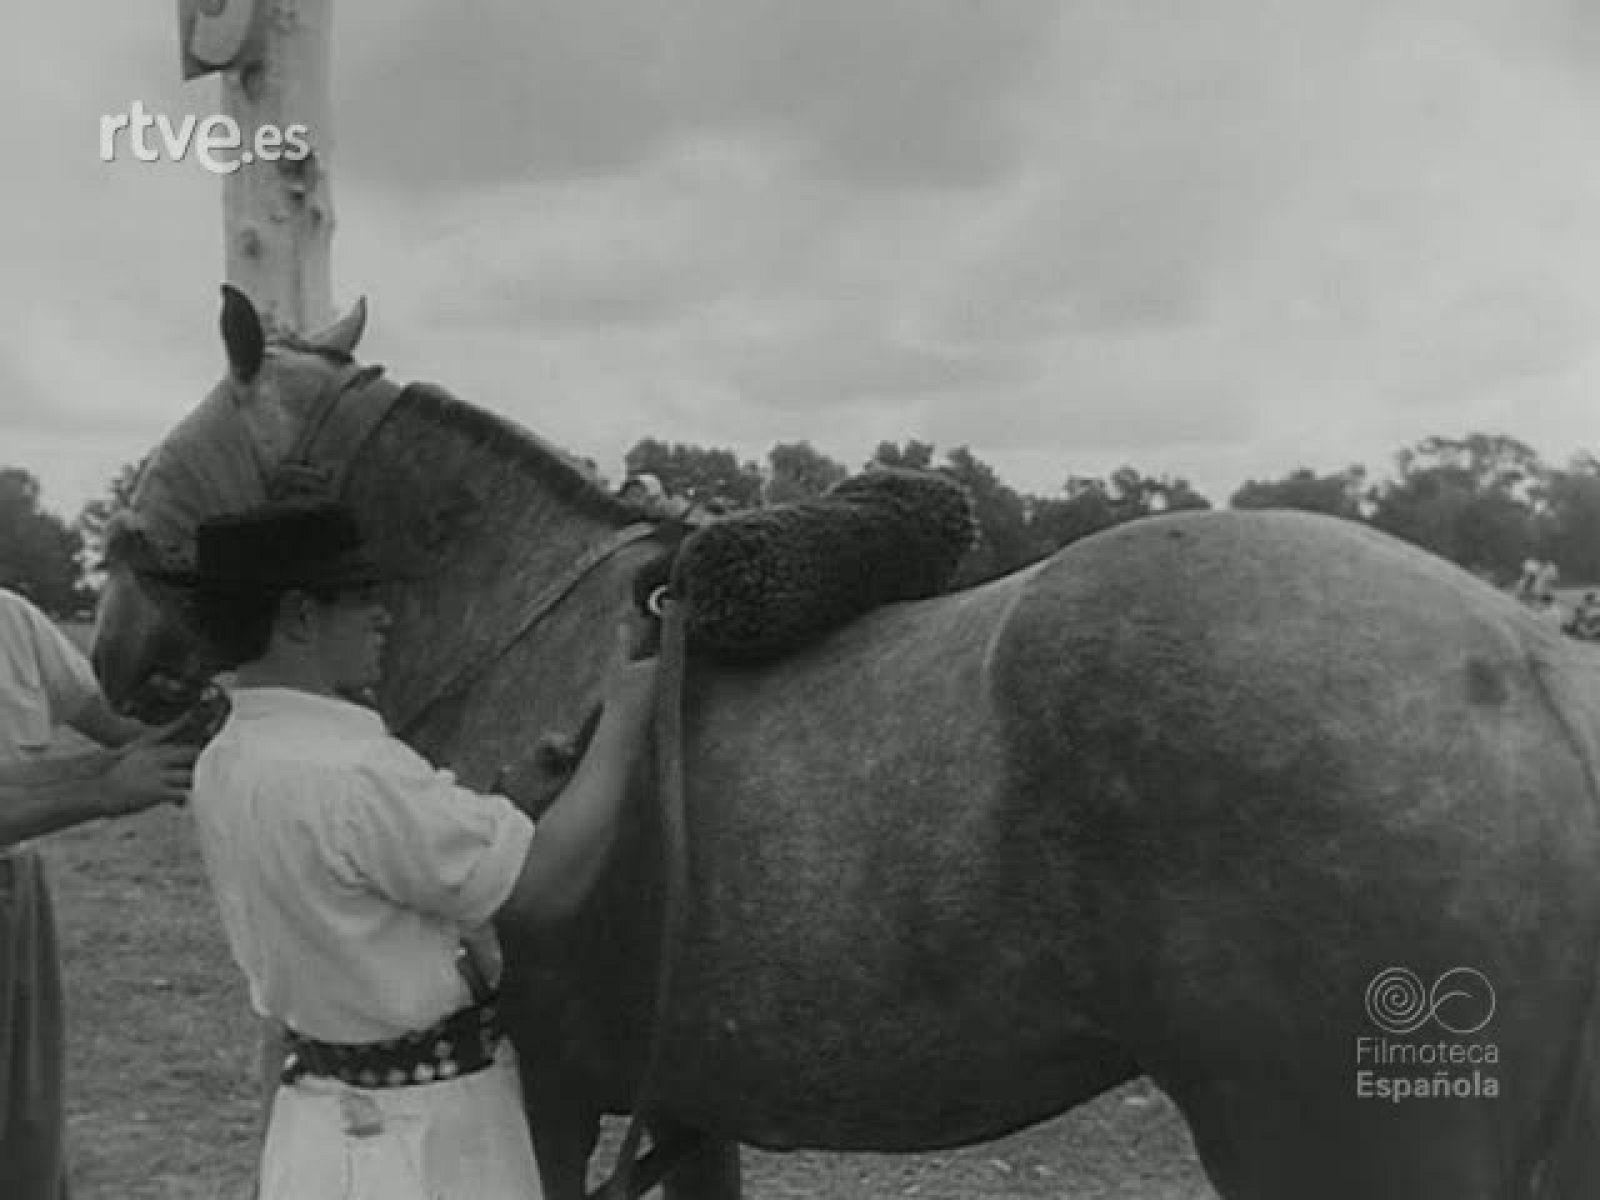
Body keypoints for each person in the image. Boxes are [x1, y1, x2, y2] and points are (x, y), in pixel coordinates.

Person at [182, 501, 658, 1200]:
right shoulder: (359, 773)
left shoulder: (225, 760)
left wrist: (498, 812)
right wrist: (624, 717)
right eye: (360, 599)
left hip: (312, 1130)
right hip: (430, 1143)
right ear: (299, 616)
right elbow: (543, 885)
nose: (383, 617)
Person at [0, 586, 198, 1200]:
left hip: (15, 887)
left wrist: (240, 709)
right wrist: (103, 791)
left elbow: (122, 727)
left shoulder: (10, 619)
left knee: (25, 1138)